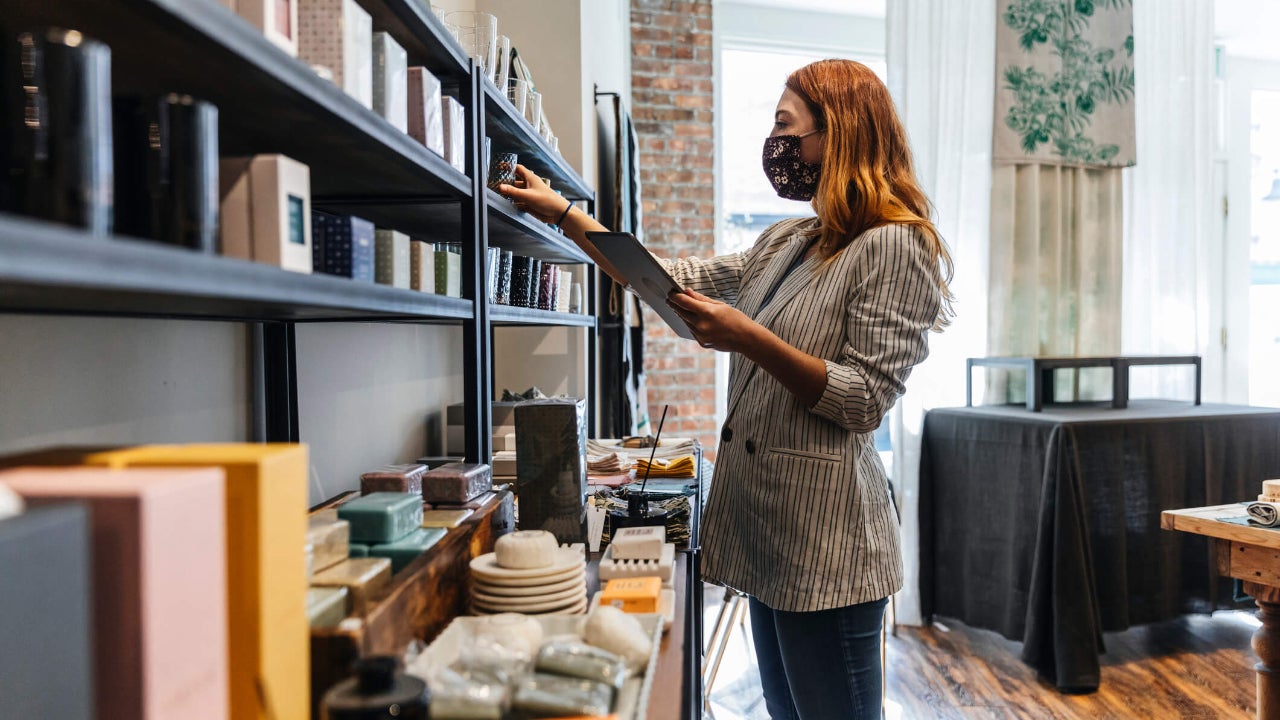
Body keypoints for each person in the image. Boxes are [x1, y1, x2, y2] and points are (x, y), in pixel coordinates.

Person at [498, 58, 953, 720]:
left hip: (829, 550)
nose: (775, 143)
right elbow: (671, 278)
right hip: (770, 534)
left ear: (840, 132)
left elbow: (863, 401)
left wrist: (748, 338)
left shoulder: (896, 245)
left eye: (784, 125)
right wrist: (567, 215)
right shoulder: (788, 240)